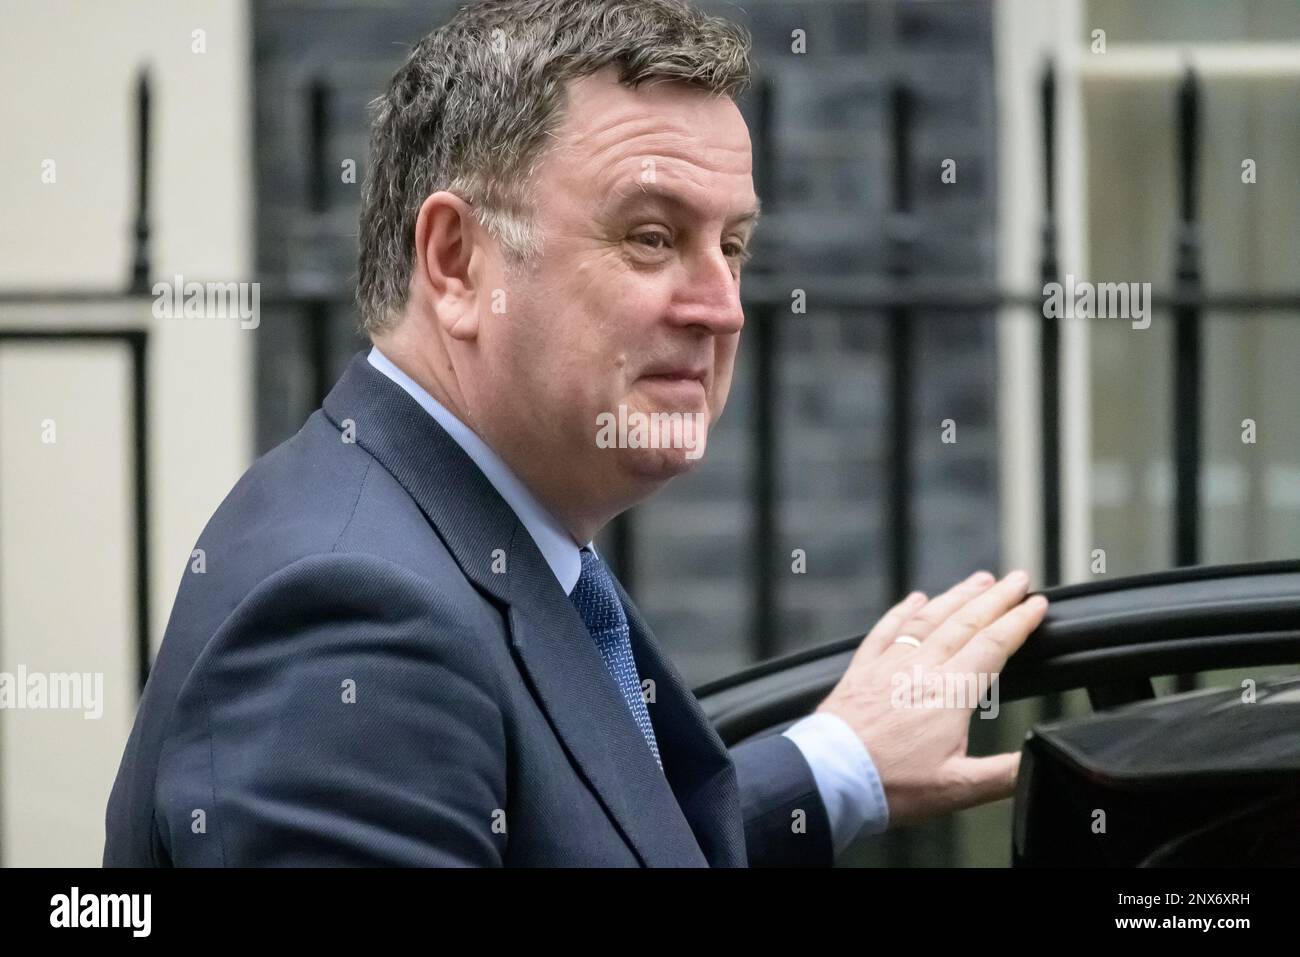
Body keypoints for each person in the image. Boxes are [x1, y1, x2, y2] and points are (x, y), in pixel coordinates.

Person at [104, 0, 1047, 867]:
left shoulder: (461, 533)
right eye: (650, 236)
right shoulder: (357, 625)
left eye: (733, 246)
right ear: (457, 262)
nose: (723, 309)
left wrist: (837, 762)